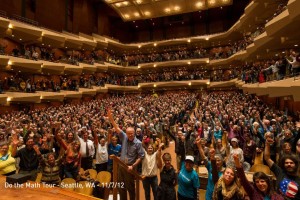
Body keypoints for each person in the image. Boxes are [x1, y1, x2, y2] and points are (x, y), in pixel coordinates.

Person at [108, 108, 145, 200]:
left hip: (129, 167)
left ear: (134, 133)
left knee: (131, 188)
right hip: (121, 165)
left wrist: (133, 166)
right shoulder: (124, 137)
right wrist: (111, 118)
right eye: (128, 134)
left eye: (132, 133)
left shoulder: (138, 143)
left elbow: (141, 156)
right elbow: (116, 128)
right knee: (121, 187)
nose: (130, 135)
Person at [264, 132, 300, 199]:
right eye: (286, 163)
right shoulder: (280, 172)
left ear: (296, 165)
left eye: (291, 163)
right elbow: (267, 158)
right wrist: (267, 144)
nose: (289, 164)